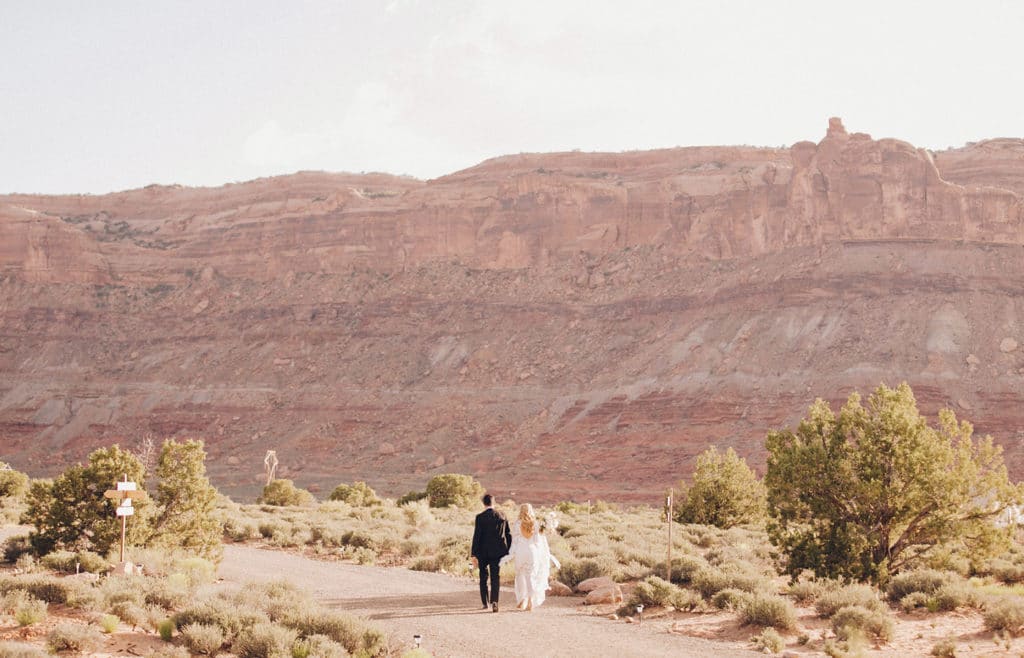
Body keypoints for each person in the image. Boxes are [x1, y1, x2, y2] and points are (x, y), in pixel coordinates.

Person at [505, 503, 560, 611]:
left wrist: (510, 554)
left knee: (520, 575)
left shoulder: (517, 524)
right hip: (532, 552)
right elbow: (537, 541)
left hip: (520, 552)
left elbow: (514, 541)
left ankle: (522, 600)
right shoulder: (536, 524)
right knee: (530, 577)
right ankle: (530, 600)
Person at [471, 493, 511, 612]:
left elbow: (476, 536)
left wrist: (473, 553)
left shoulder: (480, 517)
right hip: (498, 552)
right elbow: (508, 534)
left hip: (482, 552)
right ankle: (495, 602)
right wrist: (509, 550)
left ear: (484, 503)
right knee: (495, 577)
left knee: (483, 577)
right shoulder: (502, 516)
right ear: (494, 502)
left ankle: (485, 603)